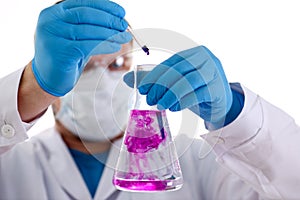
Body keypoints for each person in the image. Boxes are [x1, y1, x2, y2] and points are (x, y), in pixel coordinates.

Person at [0, 0, 300, 199]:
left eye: (115, 65)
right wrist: (30, 88)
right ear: (53, 78)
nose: (100, 81)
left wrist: (236, 117)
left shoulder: (197, 164)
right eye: (83, 66)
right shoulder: (12, 166)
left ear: (131, 70)